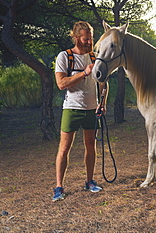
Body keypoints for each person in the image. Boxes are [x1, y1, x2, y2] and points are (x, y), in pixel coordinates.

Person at [52, 21, 107, 202]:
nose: (89, 42)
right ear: (76, 38)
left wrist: (103, 102)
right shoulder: (64, 57)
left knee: (91, 146)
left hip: (91, 109)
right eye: (85, 39)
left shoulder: (95, 57)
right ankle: (59, 187)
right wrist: (84, 73)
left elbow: (102, 83)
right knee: (64, 149)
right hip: (71, 109)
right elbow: (61, 84)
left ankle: (90, 181)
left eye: (90, 38)